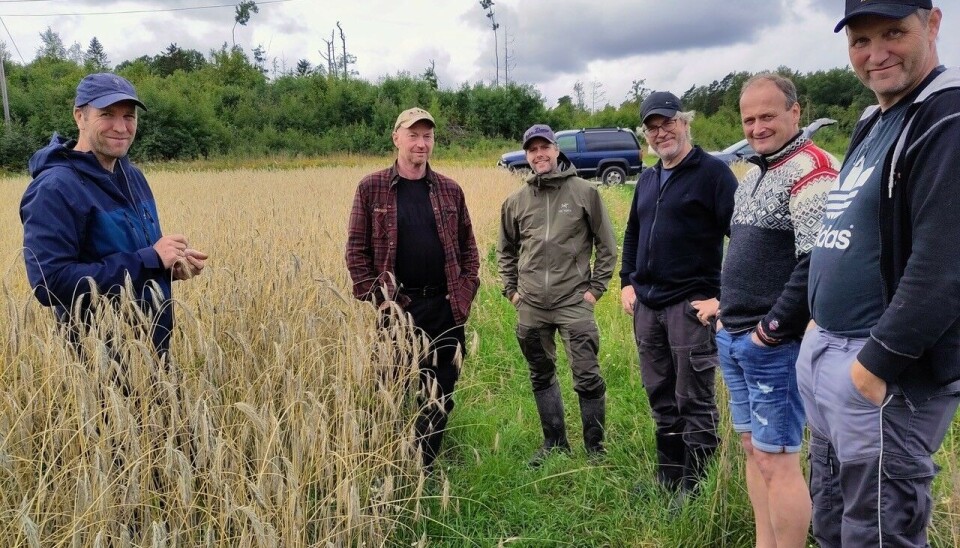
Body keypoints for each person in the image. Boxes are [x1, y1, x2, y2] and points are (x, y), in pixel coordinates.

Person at [798, 2, 960, 546]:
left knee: (877, 530)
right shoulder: (876, 119)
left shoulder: (947, 116)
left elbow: (946, 261)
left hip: (881, 373)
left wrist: (878, 364)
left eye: (894, 33)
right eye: (860, 41)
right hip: (831, 352)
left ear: (932, 24)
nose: (876, 54)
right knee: (832, 517)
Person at [717, 73, 839, 547]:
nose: (757, 126)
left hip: (773, 345)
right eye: (749, 119)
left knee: (779, 459)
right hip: (735, 336)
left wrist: (771, 329)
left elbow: (816, 261)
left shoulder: (814, 170)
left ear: (795, 112)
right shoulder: (751, 176)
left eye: (768, 115)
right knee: (754, 450)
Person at [20, 72, 207, 361]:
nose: (121, 127)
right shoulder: (54, 188)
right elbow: (51, 284)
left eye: (129, 116)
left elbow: (137, 257)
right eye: (107, 114)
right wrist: (150, 259)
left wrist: (168, 266)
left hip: (153, 353)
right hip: (100, 364)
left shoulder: (132, 176)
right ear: (80, 116)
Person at [345, 107, 480, 472]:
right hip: (397, 309)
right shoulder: (371, 188)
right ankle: (386, 462)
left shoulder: (450, 190)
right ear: (396, 138)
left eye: (427, 136)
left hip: (445, 305)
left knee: (441, 391)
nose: (421, 143)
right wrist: (383, 303)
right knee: (390, 387)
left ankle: (424, 465)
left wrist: (463, 298)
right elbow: (356, 253)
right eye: (414, 135)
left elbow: (469, 249)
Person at [620, 92, 737, 496]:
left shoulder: (714, 174)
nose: (661, 132)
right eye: (652, 127)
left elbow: (741, 240)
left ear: (685, 122)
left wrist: (723, 297)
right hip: (648, 305)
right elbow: (634, 232)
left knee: (694, 395)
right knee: (659, 391)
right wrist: (625, 281)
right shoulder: (649, 178)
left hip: (691, 307)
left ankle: (697, 484)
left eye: (668, 122)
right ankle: (669, 475)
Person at [498, 124, 617, 466]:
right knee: (541, 373)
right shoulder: (516, 201)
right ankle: (555, 442)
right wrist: (512, 291)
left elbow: (607, 245)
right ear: (527, 156)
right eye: (532, 150)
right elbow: (505, 249)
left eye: (545, 147)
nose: (539, 155)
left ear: (556, 150)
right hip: (531, 305)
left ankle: (595, 449)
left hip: (573, 302)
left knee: (587, 374)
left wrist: (595, 291)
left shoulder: (584, 192)